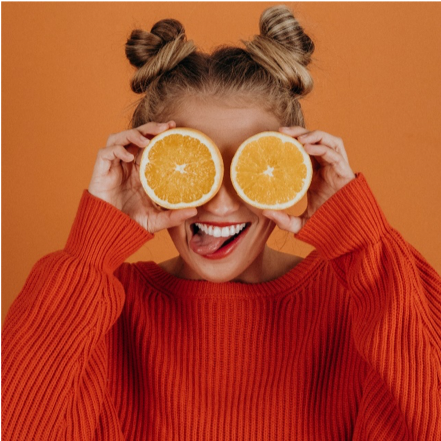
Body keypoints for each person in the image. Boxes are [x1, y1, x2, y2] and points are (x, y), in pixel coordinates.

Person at [2, 5, 440, 440]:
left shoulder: (362, 305)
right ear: (146, 167)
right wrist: (89, 252)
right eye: (194, 167)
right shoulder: (98, 313)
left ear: (295, 168)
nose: (223, 204)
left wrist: (363, 242)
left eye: (250, 166)